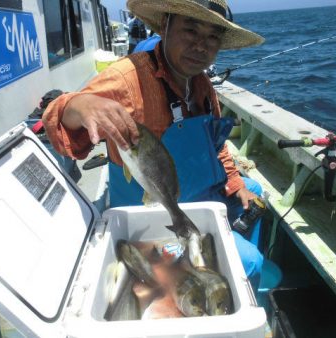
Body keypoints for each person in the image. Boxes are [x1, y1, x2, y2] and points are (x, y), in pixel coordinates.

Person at [43, 0, 265, 287]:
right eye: (190, 30)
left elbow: (216, 146)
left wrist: (237, 185)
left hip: (195, 194)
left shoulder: (202, 86)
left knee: (255, 194)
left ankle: (216, 270)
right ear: (164, 26)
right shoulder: (126, 78)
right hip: (151, 209)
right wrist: (79, 104)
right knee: (251, 262)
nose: (201, 46)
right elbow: (60, 123)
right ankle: (227, 286)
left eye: (212, 37)